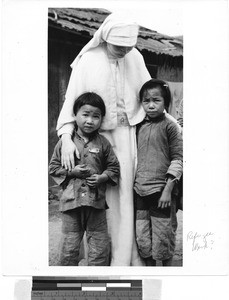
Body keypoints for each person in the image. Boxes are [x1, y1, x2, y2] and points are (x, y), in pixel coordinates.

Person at [55, 13, 152, 266]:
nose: (123, 52)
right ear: (106, 38)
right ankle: (99, 258)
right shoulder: (89, 59)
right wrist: (66, 137)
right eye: (118, 47)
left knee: (123, 193)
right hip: (95, 137)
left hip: (127, 135)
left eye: (128, 47)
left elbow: (149, 94)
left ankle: (124, 257)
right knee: (97, 194)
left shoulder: (136, 57)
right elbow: (72, 102)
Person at [49, 92, 120, 266]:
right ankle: (67, 279)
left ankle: (97, 279)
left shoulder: (103, 143)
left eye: (96, 116)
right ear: (75, 115)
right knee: (69, 246)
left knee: (99, 246)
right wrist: (72, 173)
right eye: (85, 114)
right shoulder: (66, 143)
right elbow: (53, 168)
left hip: (96, 204)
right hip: (71, 204)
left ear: (101, 119)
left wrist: (102, 178)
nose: (90, 120)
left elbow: (114, 168)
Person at [134, 79, 183, 266]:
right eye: (146, 101)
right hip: (139, 191)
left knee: (163, 237)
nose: (151, 105)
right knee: (143, 239)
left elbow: (178, 159)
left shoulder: (170, 126)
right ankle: (150, 277)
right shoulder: (138, 126)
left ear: (166, 102)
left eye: (157, 100)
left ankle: (168, 275)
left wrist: (168, 190)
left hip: (162, 193)